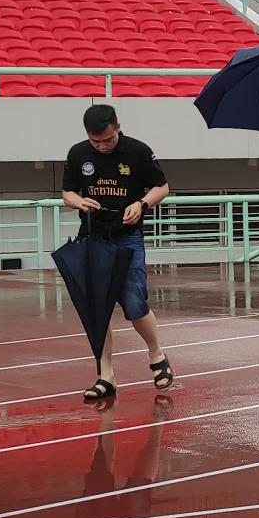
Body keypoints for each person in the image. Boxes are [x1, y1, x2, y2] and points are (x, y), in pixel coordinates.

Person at [62, 104, 173, 400]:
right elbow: (67, 192)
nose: (102, 146)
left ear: (118, 127)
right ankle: (105, 375)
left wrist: (142, 204)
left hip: (127, 238)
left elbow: (161, 187)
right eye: (95, 142)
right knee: (97, 310)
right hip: (92, 238)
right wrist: (78, 202)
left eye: (107, 140)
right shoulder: (77, 154)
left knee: (135, 301)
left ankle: (157, 354)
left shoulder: (137, 151)